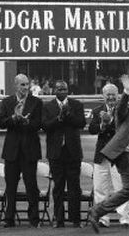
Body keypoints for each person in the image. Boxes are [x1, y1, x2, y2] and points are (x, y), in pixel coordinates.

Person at [88, 75, 129, 233]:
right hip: (127, 155)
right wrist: (126, 91)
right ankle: (97, 211)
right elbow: (123, 105)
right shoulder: (124, 109)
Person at [0, 74, 42, 228]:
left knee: (31, 186)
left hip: (30, 150)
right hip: (11, 151)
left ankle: (34, 219)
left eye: (27, 85)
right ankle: (9, 219)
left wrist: (25, 121)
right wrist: (14, 118)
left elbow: (38, 124)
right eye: (22, 85)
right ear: (16, 85)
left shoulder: (36, 102)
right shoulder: (7, 102)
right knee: (10, 187)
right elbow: (2, 123)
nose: (25, 88)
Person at [88, 83, 129, 228]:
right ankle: (102, 219)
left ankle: (125, 219)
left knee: (121, 188)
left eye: (113, 94)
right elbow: (92, 129)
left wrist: (111, 121)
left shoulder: (124, 111)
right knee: (100, 187)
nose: (111, 97)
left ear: (118, 95)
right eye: (108, 94)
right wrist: (102, 124)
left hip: (119, 155)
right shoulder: (97, 111)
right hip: (101, 155)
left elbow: (124, 130)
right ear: (103, 96)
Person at [42, 80, 86, 228]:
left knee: (75, 188)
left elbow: (81, 123)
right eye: (59, 89)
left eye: (65, 89)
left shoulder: (76, 105)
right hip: (56, 153)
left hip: (73, 152)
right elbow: (45, 126)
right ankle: (59, 220)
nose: (62, 91)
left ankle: (75, 219)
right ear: (54, 90)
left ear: (68, 90)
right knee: (58, 188)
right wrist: (59, 118)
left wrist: (68, 115)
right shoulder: (48, 106)